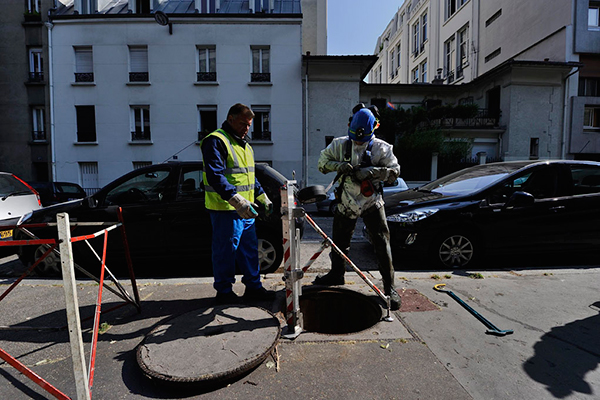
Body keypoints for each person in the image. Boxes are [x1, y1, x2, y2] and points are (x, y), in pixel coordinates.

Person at [314, 105, 402, 310]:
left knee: (382, 244)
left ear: (373, 130)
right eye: (355, 138)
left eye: (362, 139)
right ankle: (337, 274)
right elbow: (321, 163)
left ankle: (389, 288)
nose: (358, 142)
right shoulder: (339, 145)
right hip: (346, 202)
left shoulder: (382, 148)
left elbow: (395, 172)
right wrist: (338, 166)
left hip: (372, 203)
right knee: (339, 243)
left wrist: (374, 172)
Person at [201, 103, 275, 304]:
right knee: (226, 252)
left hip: (244, 210)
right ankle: (224, 292)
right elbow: (215, 176)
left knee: (250, 250)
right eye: (243, 123)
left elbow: (250, 177)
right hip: (226, 209)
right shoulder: (216, 141)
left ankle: (253, 287)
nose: (246, 128)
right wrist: (236, 200)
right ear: (230, 119)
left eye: (249, 125)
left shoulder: (245, 145)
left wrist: (262, 197)